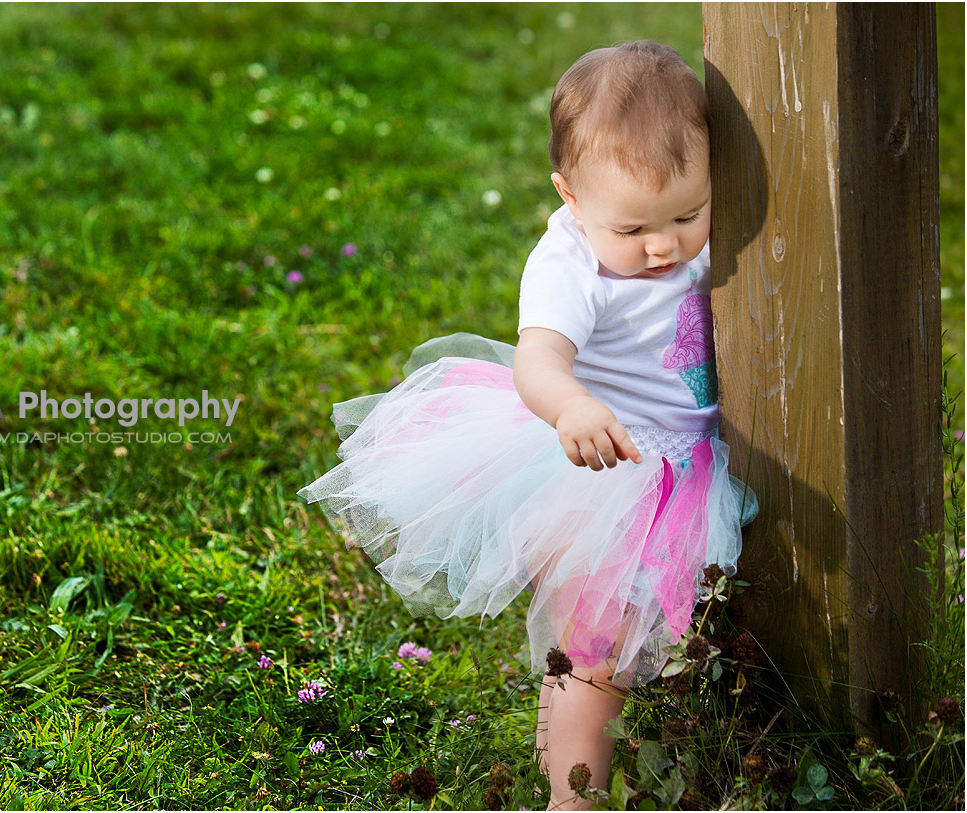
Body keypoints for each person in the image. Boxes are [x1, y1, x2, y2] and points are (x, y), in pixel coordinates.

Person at [297, 40, 755, 811]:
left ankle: (686, 754)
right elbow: (538, 358)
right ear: (570, 198)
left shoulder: (680, 232)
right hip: (604, 470)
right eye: (632, 227)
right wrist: (571, 404)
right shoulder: (569, 263)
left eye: (687, 213)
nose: (661, 245)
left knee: (670, 638)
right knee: (592, 646)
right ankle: (570, 796)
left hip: (692, 470)